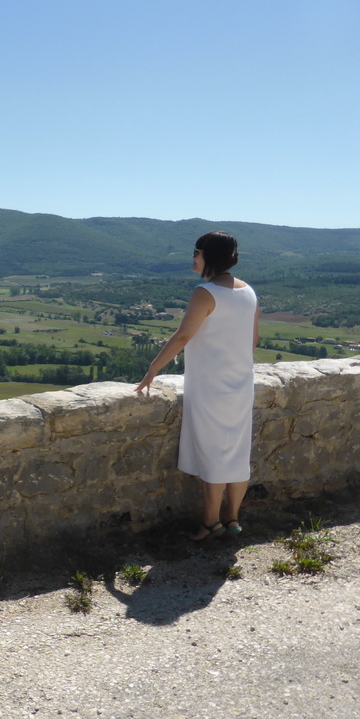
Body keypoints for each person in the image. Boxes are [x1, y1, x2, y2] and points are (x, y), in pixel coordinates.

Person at [135, 231, 260, 541]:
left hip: (210, 387)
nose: (193, 256)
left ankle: (210, 522)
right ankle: (232, 519)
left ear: (210, 256)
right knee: (236, 453)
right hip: (242, 385)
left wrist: (153, 368)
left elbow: (182, 336)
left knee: (213, 455)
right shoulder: (249, 292)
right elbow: (254, 340)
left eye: (197, 251)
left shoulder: (204, 293)